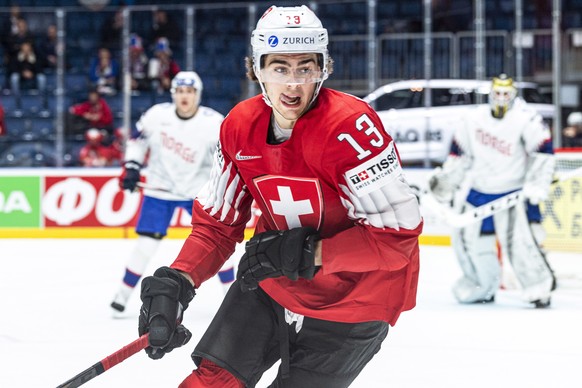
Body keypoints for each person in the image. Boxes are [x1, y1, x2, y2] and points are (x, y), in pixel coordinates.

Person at [137, 5, 422, 387]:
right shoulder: (238, 126)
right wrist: (180, 278)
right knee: (208, 383)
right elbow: (218, 226)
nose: (293, 84)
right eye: (279, 68)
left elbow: (397, 242)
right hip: (273, 279)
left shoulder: (351, 128)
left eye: (306, 67)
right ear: (256, 69)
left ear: (324, 69)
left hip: (357, 297)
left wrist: (311, 254)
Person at [111, 71, 235, 314]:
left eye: (189, 92)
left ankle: (233, 299)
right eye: (180, 92)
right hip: (160, 190)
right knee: (146, 244)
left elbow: (228, 155)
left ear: (197, 95)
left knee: (217, 242)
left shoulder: (214, 123)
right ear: (173, 94)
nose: (184, 96)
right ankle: (122, 295)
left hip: (199, 192)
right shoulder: (157, 116)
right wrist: (132, 167)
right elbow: (137, 141)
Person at [429, 74, 556, 308]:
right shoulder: (472, 119)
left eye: (506, 94)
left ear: (514, 94)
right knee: (469, 245)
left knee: (521, 245)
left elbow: (543, 152)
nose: (501, 98)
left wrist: (536, 184)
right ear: (490, 93)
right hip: (478, 191)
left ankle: (539, 289)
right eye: (497, 93)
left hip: (512, 193)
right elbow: (459, 155)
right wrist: (446, 184)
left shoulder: (526, 119)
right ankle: (480, 286)